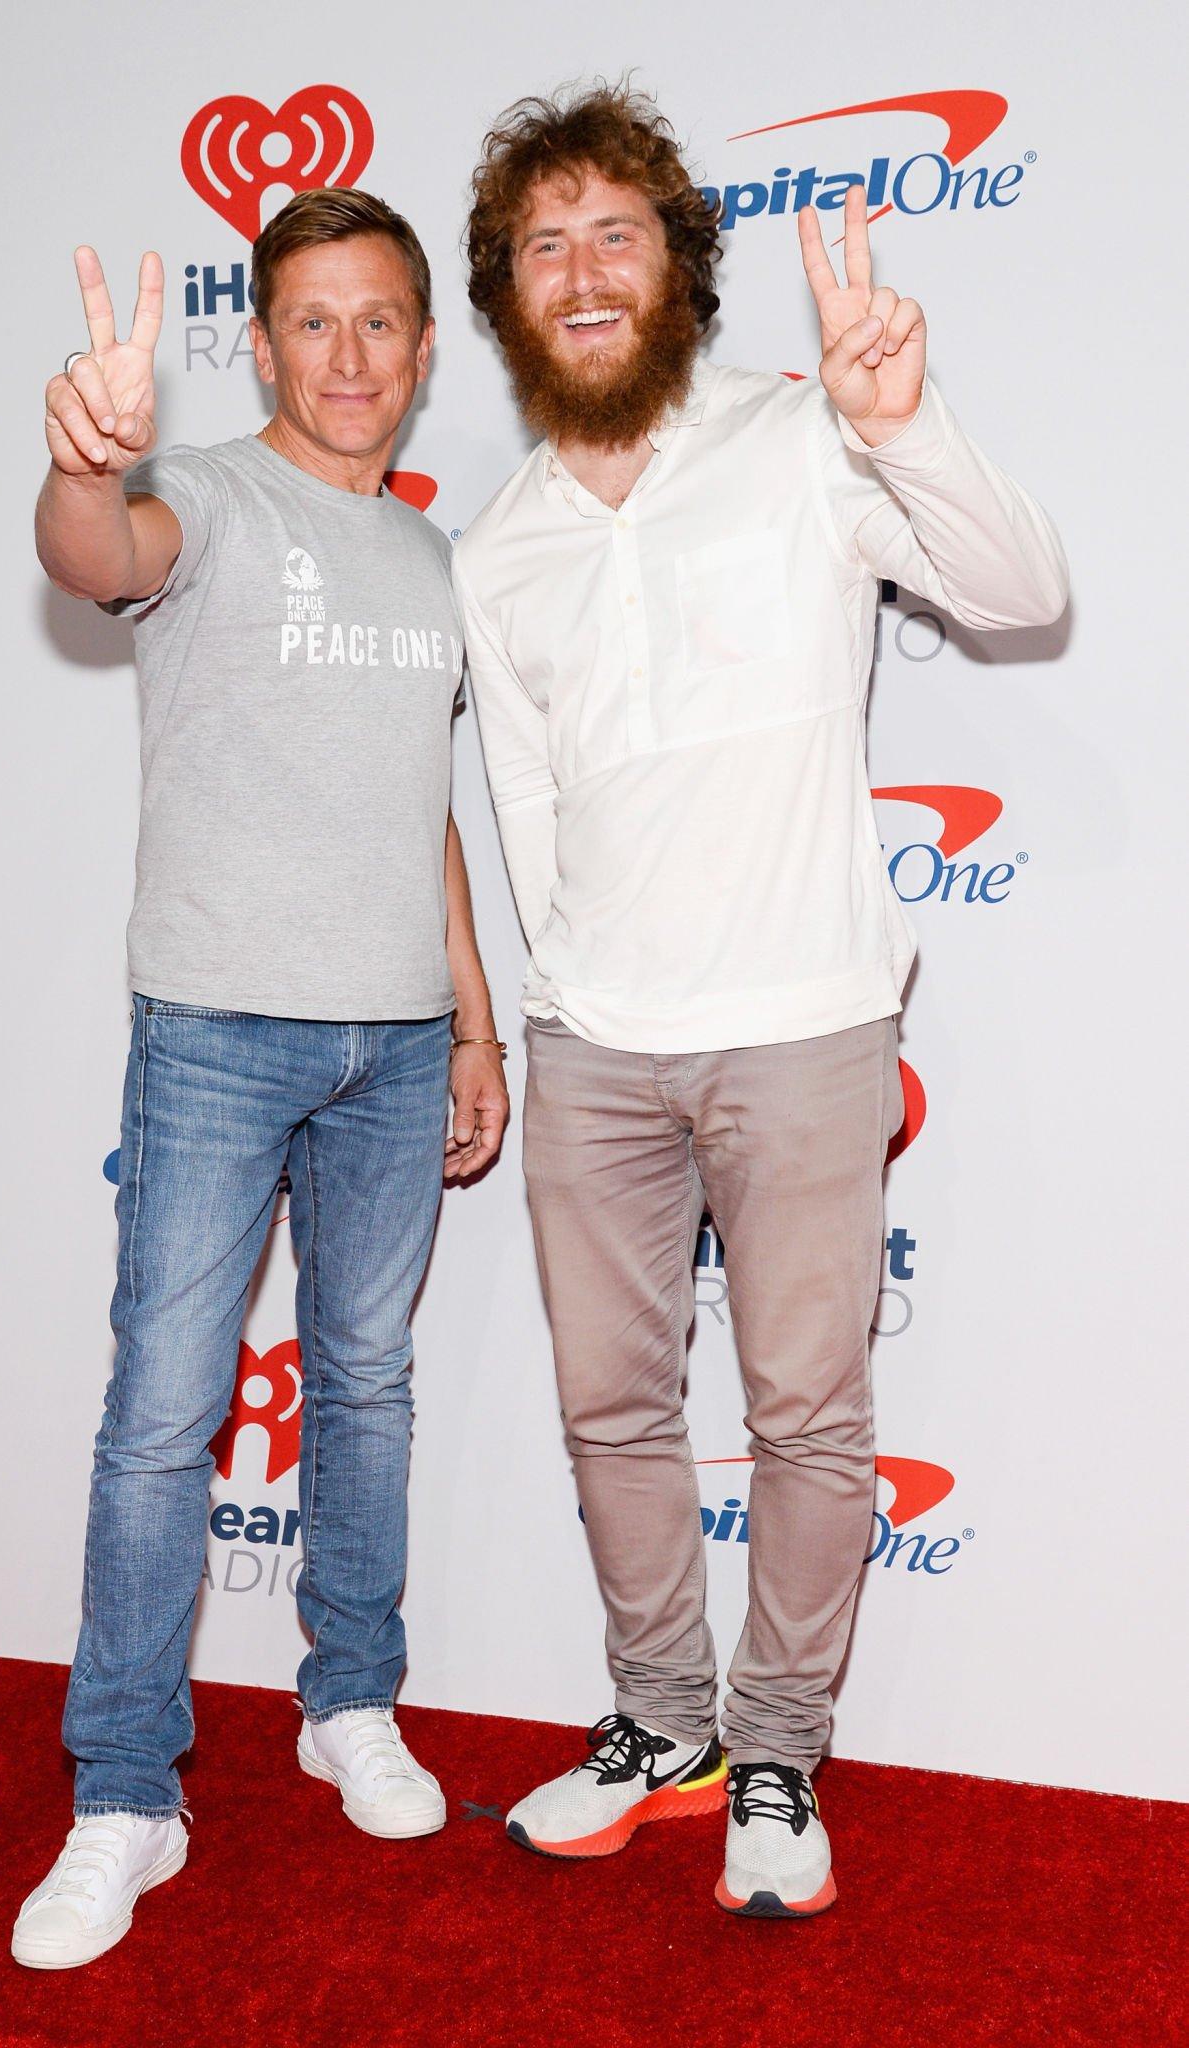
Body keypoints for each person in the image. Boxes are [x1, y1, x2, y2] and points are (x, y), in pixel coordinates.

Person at [454, 85, 1067, 1917]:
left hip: (804, 1026)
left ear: (681, 268)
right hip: (595, 1049)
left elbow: (1024, 592)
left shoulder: (804, 440)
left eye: (615, 233)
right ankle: (666, 1728)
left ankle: (779, 1751)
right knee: (611, 1409)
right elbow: (528, 809)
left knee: (807, 1415)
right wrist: (563, 1005)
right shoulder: (497, 545)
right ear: (507, 295)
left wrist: (906, 423)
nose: (582, 272)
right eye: (544, 244)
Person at [13, 188, 509, 1971]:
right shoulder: (209, 497)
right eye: (313, 320)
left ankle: (349, 1699)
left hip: (397, 1043)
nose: (349, 354)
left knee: (367, 1387)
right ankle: (123, 1794)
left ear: (425, 349)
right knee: (164, 1415)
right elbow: (98, 554)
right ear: (262, 343)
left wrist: (472, 1019)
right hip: (217, 1033)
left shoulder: (439, 561)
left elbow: (421, 810)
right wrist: (83, 461)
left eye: (380, 322)